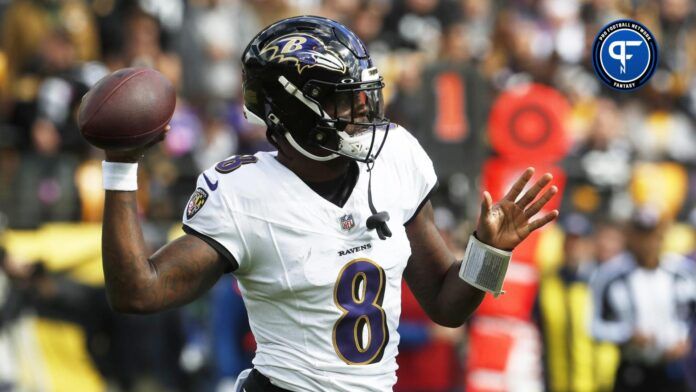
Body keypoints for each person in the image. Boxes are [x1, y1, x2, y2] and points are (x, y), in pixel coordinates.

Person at [98, 16, 558, 392]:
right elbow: (138, 291)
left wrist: (489, 252)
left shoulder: (396, 157)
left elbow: (446, 306)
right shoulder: (246, 192)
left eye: (364, 96)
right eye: (345, 101)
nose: (364, 113)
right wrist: (121, 167)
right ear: (293, 110)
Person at [591, 208, 696, 392]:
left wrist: (686, 340)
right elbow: (594, 326)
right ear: (630, 236)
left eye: (652, 234)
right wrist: (626, 334)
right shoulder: (611, 274)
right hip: (633, 367)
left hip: (674, 367)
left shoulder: (682, 272)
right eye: (640, 235)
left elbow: (690, 316)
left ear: (661, 235)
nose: (647, 243)